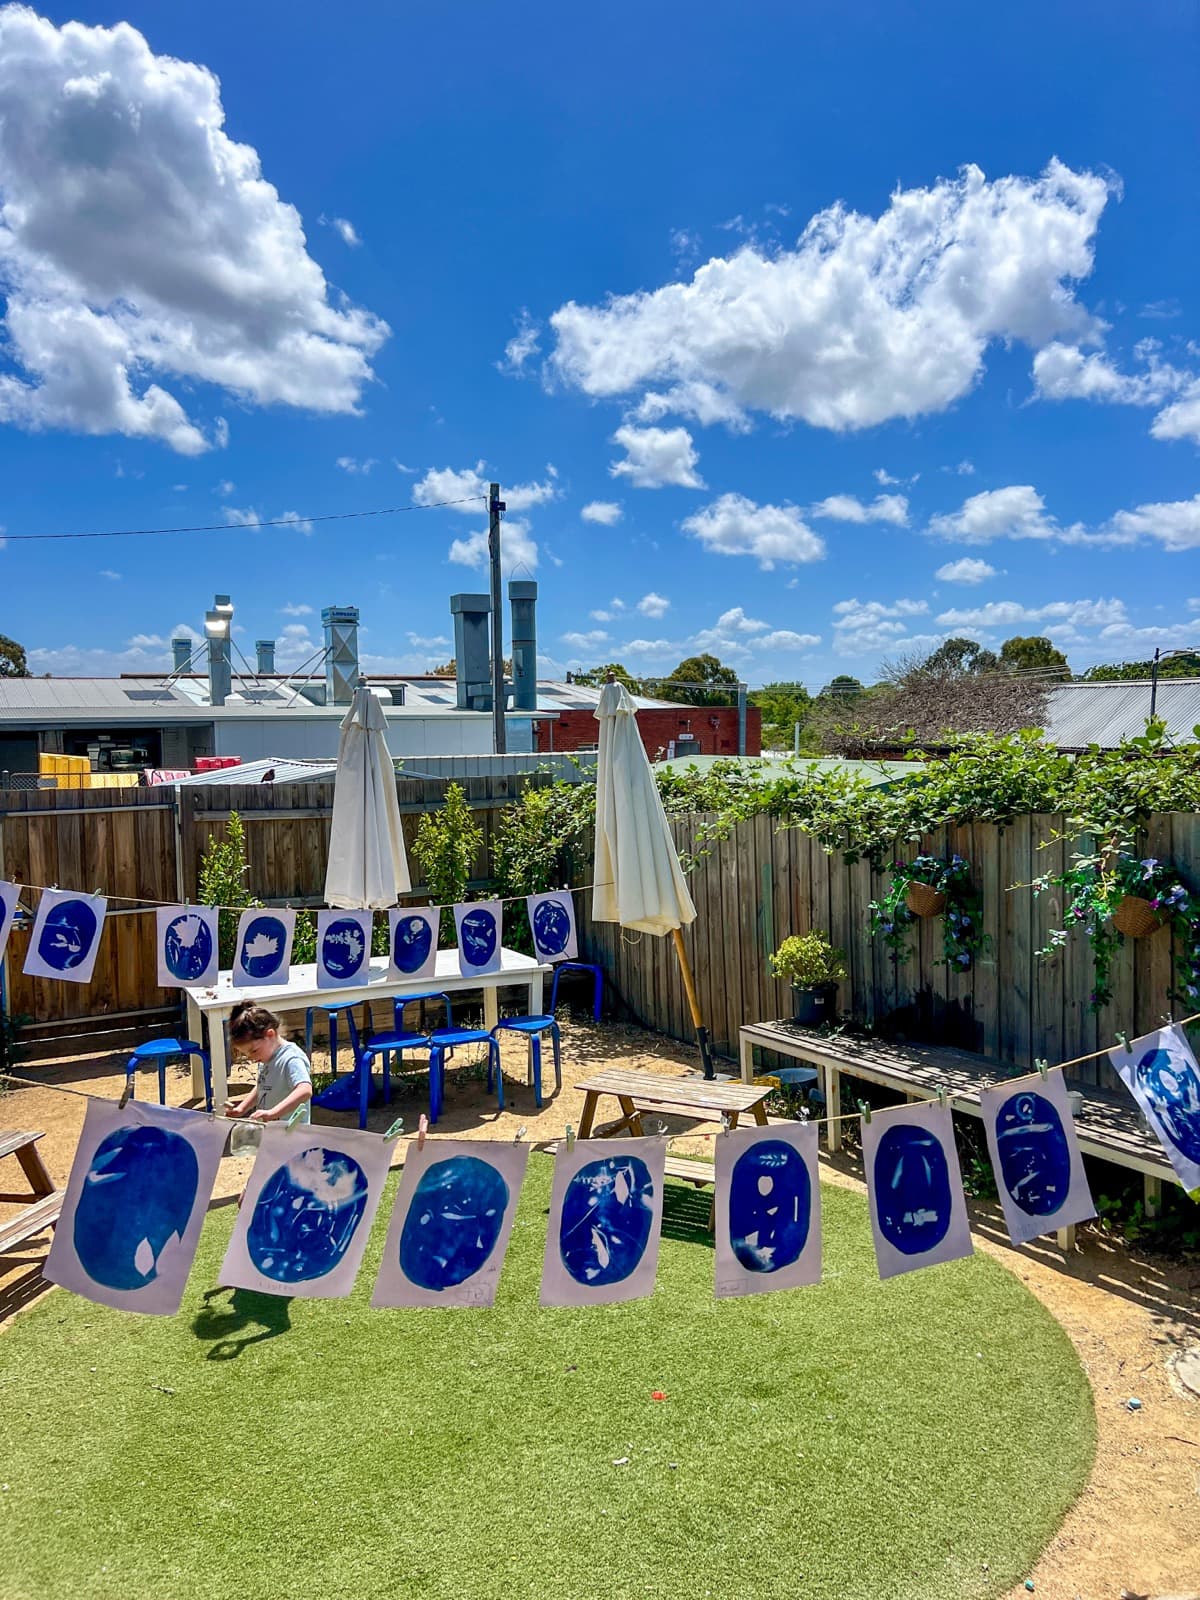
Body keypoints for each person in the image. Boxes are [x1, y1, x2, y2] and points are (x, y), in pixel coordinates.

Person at [224, 1002, 313, 1125]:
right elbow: (263, 1086)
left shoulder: (291, 1059)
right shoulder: (267, 1056)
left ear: (270, 1034)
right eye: (247, 1054)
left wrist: (273, 1113)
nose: (252, 1058)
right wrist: (242, 1108)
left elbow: (304, 1091)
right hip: (271, 1131)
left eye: (254, 1051)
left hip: (291, 1133)